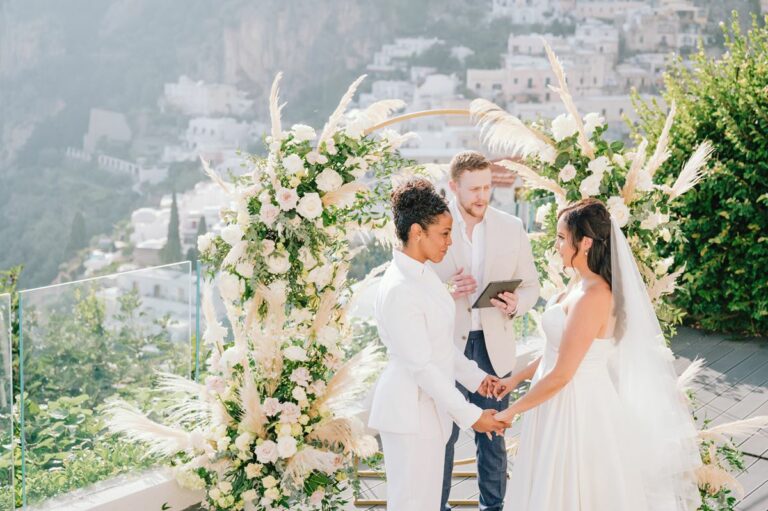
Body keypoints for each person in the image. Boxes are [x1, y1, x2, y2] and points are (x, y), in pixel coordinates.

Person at [493, 198, 701, 511]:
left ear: (585, 242)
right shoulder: (578, 282)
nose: (557, 245)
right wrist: (514, 380)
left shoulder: (594, 296)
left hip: (576, 408)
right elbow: (558, 352)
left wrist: (512, 411)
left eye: (562, 238)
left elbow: (564, 372)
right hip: (553, 400)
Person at [368, 177, 508, 511]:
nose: (449, 242)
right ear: (417, 232)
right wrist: (473, 416)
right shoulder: (400, 288)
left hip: (429, 414)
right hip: (409, 414)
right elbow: (422, 367)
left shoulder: (423, 274)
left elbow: (440, 348)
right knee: (413, 505)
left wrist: (478, 379)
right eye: (444, 233)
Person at [431, 151, 540, 511]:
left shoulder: (511, 227)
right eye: (474, 188)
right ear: (453, 187)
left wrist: (515, 304)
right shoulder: (432, 226)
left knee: (493, 434)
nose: (482, 196)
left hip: (495, 346)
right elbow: (416, 284)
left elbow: (531, 287)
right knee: (443, 434)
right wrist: (448, 292)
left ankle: (492, 508)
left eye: (487, 187)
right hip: (448, 348)